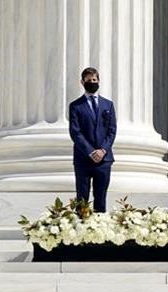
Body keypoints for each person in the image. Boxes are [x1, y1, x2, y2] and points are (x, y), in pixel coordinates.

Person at [69, 66, 115, 212]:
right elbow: (75, 132)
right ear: (82, 82)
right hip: (83, 159)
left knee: (101, 197)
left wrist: (102, 150)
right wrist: (91, 151)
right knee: (82, 199)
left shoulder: (108, 105)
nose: (92, 82)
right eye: (89, 80)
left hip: (104, 160)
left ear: (99, 81)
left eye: (94, 80)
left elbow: (112, 131)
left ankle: (100, 232)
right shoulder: (75, 106)